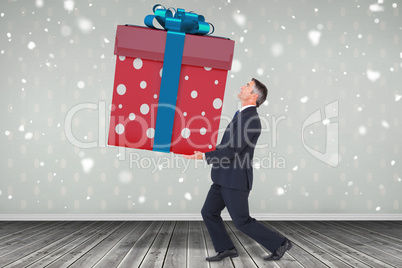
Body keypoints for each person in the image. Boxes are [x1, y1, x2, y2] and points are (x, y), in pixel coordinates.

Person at [185, 78, 292, 262]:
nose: (243, 86)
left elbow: (232, 150)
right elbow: (226, 145)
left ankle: (280, 243)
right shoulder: (240, 114)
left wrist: (203, 156)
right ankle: (226, 248)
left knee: (242, 221)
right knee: (209, 212)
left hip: (235, 180)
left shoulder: (251, 120)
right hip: (222, 177)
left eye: (248, 86)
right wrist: (205, 150)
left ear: (254, 96)